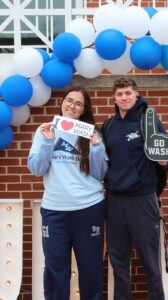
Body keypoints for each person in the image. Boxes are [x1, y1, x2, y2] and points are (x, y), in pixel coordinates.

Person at [28, 86, 108, 300]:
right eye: (69, 100)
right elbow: (36, 169)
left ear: (84, 110)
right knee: (55, 270)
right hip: (55, 211)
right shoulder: (44, 130)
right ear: (62, 102)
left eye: (78, 103)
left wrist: (97, 148)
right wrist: (47, 141)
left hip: (89, 208)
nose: (72, 105)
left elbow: (100, 173)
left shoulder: (92, 133)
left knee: (91, 270)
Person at [101, 77, 168, 300]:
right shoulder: (109, 125)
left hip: (142, 200)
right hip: (114, 201)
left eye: (128, 93)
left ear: (136, 94)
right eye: (120, 94)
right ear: (114, 98)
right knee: (119, 263)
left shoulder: (149, 122)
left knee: (151, 263)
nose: (124, 97)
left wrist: (164, 160)